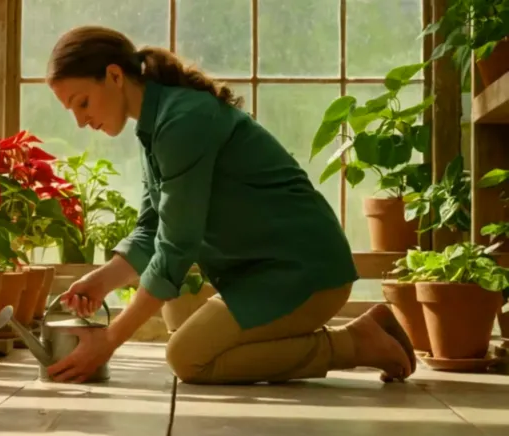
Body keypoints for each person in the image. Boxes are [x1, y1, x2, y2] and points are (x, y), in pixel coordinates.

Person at [44, 25, 415, 385]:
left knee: (189, 357)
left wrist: (109, 341)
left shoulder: (181, 121)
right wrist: (100, 282)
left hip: (305, 272)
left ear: (114, 76)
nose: (79, 121)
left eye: (83, 103)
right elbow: (152, 228)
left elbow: (176, 247)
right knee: (191, 352)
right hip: (261, 277)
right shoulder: (156, 127)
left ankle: (356, 343)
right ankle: (365, 334)